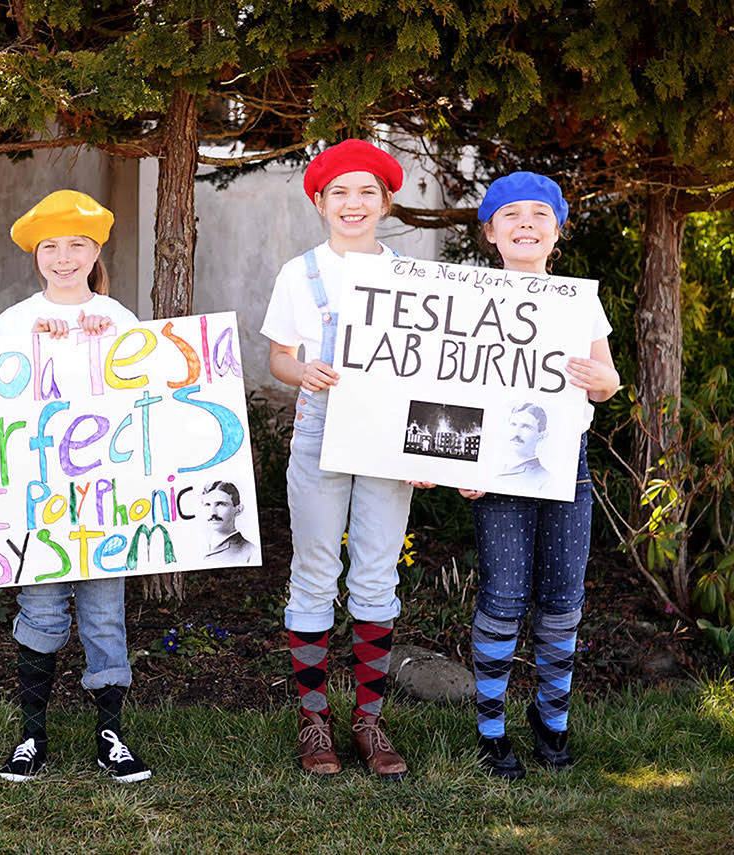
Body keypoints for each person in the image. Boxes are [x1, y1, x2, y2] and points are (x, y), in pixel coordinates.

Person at [261, 139, 419, 779]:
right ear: (320, 202)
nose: (353, 204)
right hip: (320, 432)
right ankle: (314, 720)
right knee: (315, 571)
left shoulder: (411, 278)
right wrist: (303, 371)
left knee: (377, 573)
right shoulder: (299, 273)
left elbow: (431, 376)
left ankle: (369, 721)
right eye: (340, 193)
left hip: (388, 436)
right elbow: (278, 358)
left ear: (386, 202)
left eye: (366, 193)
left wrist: (429, 449)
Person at [461, 172, 619, 779]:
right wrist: (458, 463)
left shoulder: (578, 301)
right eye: (511, 215)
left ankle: (551, 719)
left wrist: (600, 380)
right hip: (495, 468)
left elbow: (607, 382)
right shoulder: (468, 298)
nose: (525, 224)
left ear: (558, 232)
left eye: (539, 215)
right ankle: (491, 729)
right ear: (490, 233)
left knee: (562, 599)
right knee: (503, 598)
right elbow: (452, 391)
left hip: (565, 465)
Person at [0, 190, 151, 784]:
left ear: (96, 251)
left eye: (77, 245)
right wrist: (35, 347)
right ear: (35, 255)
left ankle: (111, 734)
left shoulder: (120, 319)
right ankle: (32, 732)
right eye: (51, 247)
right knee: (39, 608)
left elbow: (145, 398)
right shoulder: (15, 321)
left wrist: (105, 346)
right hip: (39, 498)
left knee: (105, 614)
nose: (64, 258)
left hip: (106, 498)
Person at [496, 402, 551, 490]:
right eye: (513, 424)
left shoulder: (546, 481)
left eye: (526, 427)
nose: (516, 433)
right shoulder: (494, 467)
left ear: (541, 435)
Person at [200, 481, 256, 563]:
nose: (212, 513)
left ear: (238, 510)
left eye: (221, 504)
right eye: (207, 505)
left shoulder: (252, 553)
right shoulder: (198, 547)